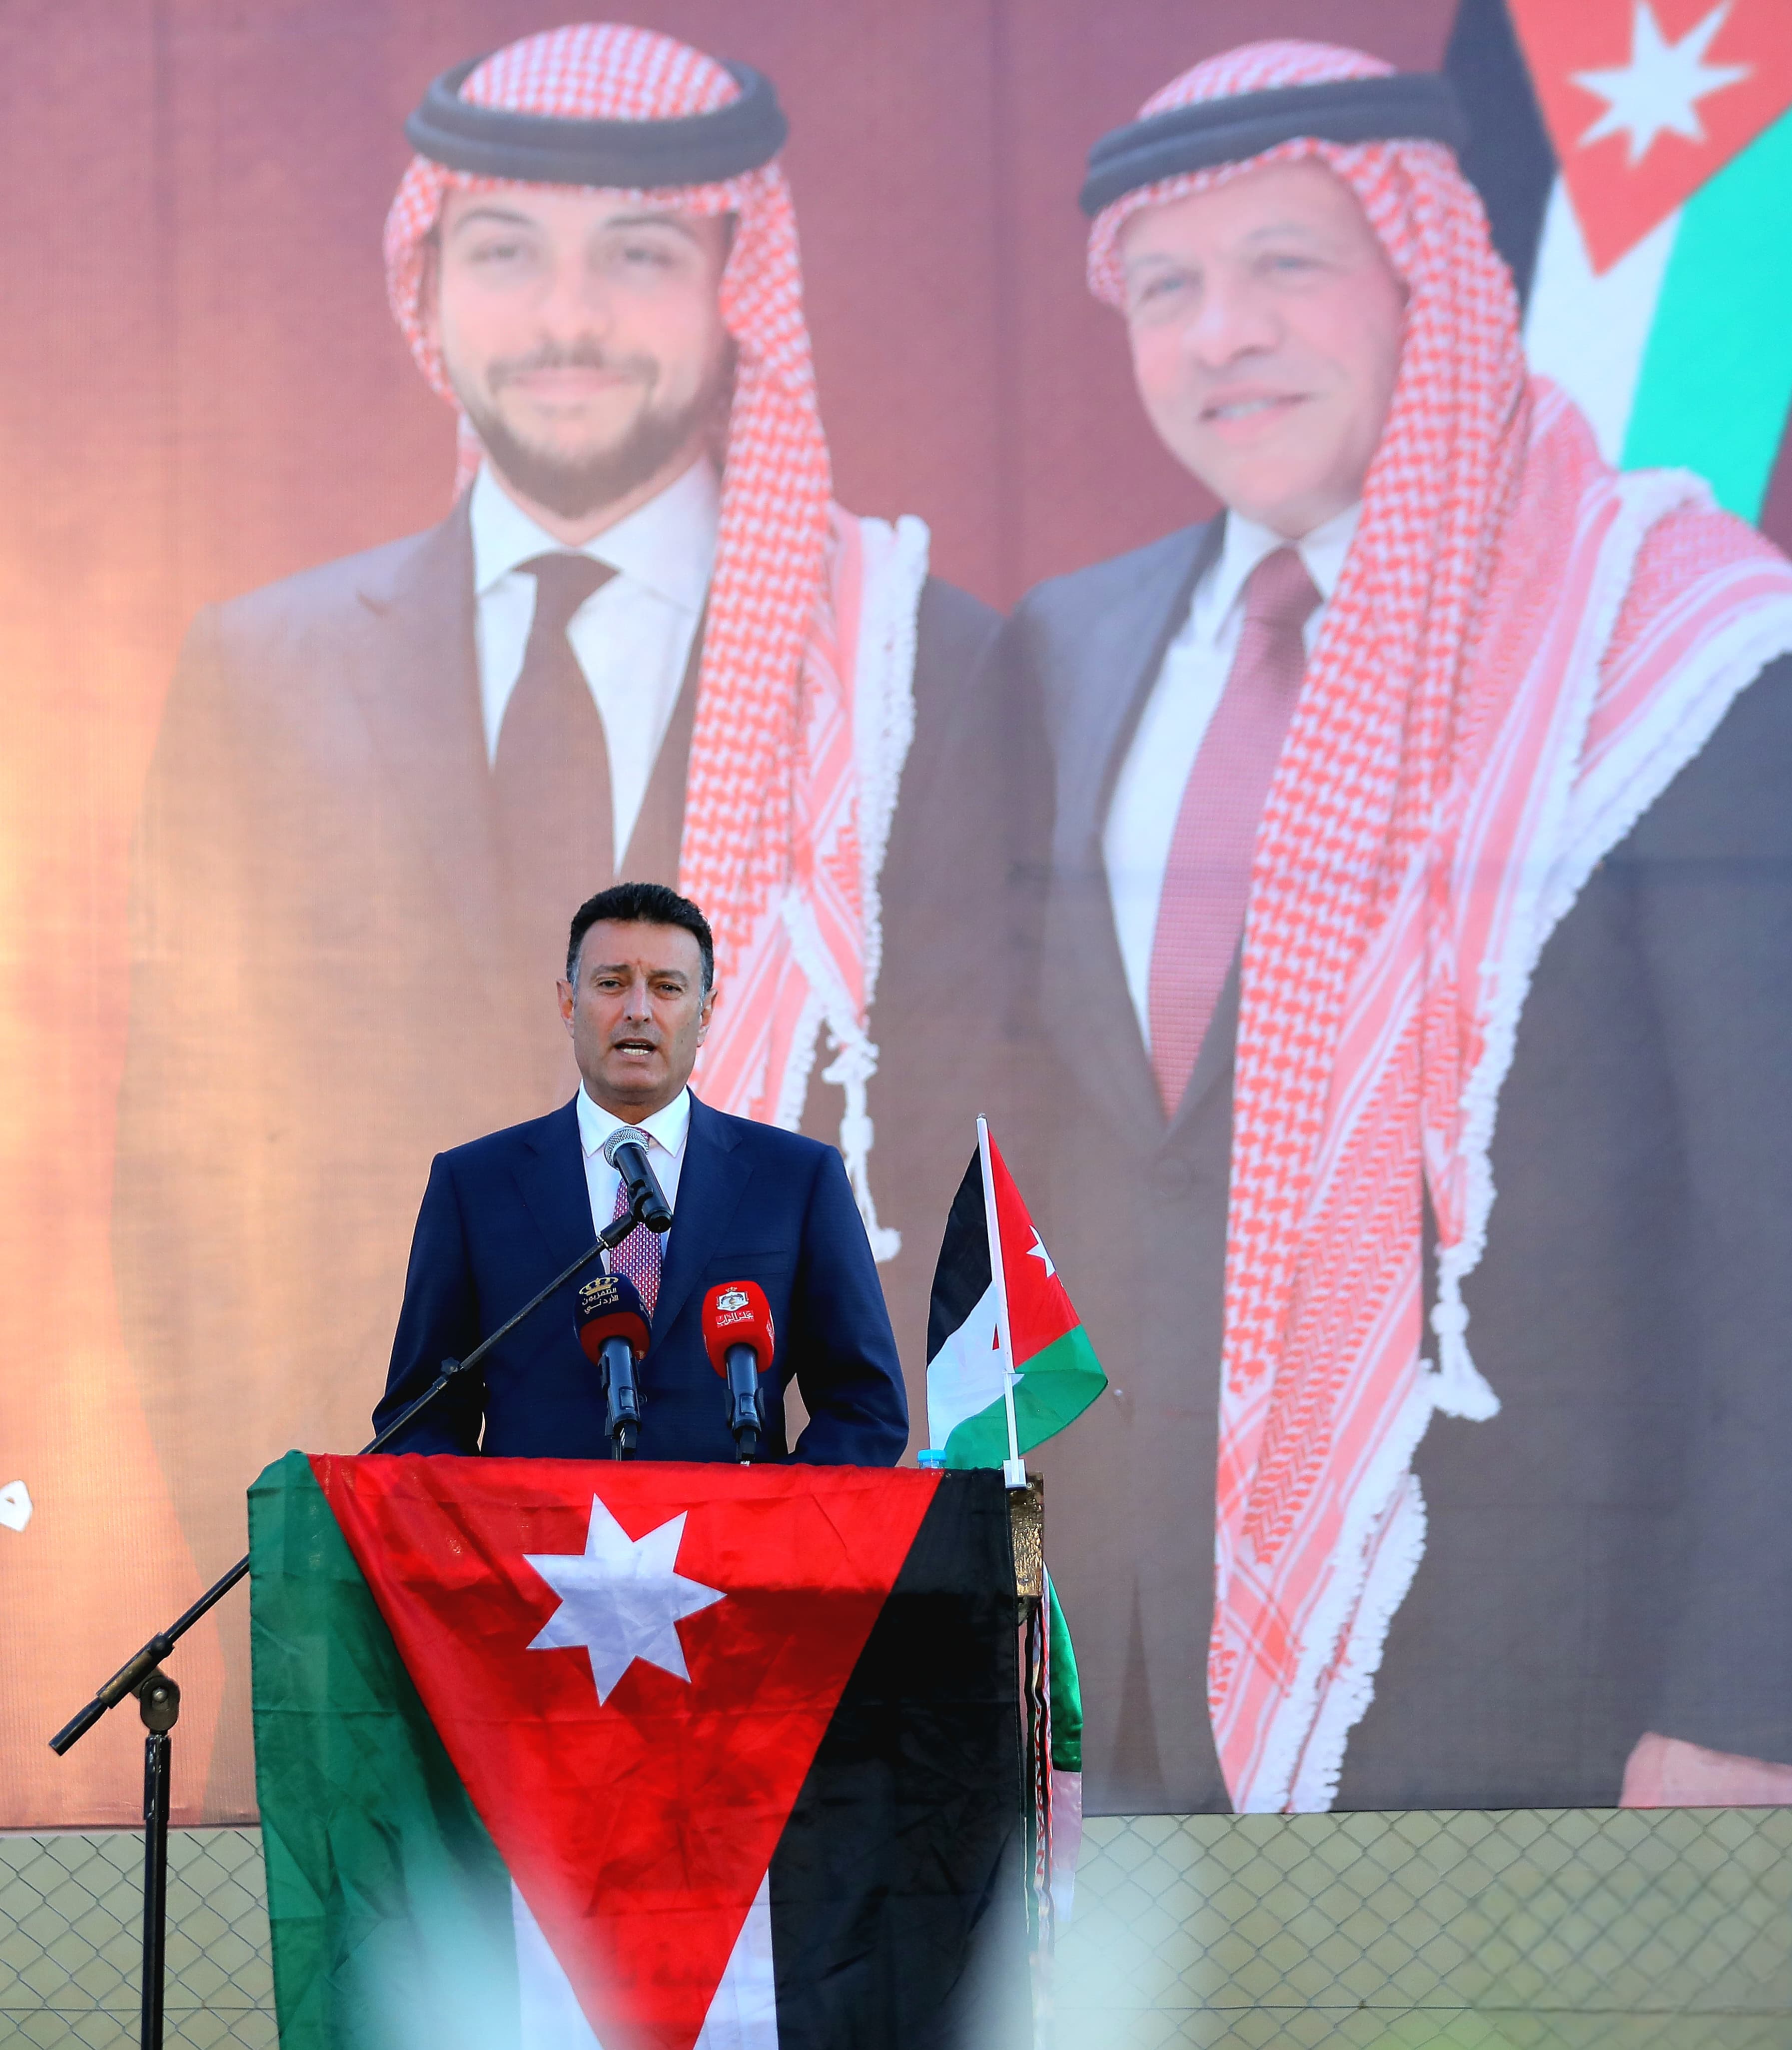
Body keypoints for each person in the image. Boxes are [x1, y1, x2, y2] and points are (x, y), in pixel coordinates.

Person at [113, 22, 997, 1814]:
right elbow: (367, 1377)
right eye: (507, 249)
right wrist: (419, 1616)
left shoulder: (924, 662)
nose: (566, 315)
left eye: (637, 253)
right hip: (498, 1685)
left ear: (735, 284)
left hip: (754, 1681)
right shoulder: (260, 668)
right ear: (429, 285)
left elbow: (863, 1405)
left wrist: (777, 1564)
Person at [1009, 39, 1792, 1816]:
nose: (1222, 332)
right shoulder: (1069, 647)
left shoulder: (1672, 642)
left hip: (1534, 1705)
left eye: (1285, 263)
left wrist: (1753, 1698)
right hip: (1104, 1703)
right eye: (1166, 287)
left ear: (1428, 278)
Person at [376, 882, 907, 1464]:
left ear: (705, 1013)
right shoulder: (474, 1184)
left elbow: (865, 1409)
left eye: (666, 987)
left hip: (734, 1525)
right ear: (568, 1004)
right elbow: (419, 1420)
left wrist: (774, 1516)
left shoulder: (796, 1180)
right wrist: (490, 1519)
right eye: (611, 983)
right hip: (538, 1527)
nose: (637, 1010)